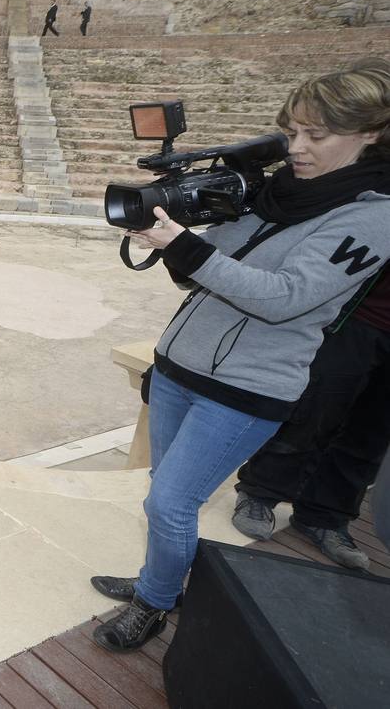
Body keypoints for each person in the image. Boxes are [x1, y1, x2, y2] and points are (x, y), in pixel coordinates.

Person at [89, 64, 390, 653]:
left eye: (316, 135)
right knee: (162, 491)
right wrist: (179, 224)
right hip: (182, 368)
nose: (297, 148)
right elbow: (213, 270)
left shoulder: (373, 215)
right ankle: (160, 579)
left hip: (246, 389)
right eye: (292, 132)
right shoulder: (279, 192)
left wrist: (186, 246)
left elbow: (285, 299)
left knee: (170, 502)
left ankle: (154, 604)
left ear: (371, 133)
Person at [229, 61, 390, 570]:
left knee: (372, 429)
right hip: (357, 316)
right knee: (314, 407)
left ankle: (326, 515)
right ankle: (261, 490)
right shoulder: (351, 179)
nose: (299, 145)